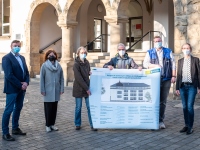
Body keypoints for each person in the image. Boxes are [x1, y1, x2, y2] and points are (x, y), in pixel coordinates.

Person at [143, 36, 176, 129]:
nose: (158, 42)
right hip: (154, 79)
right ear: (154, 43)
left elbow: (173, 64)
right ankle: (153, 120)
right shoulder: (150, 52)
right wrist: (154, 65)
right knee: (154, 100)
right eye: (156, 41)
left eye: (159, 41)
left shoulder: (168, 51)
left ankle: (160, 121)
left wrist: (174, 76)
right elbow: (145, 64)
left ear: (162, 41)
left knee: (163, 101)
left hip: (166, 79)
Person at [2, 40, 30, 141]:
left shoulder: (22, 58)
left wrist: (26, 82)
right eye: (15, 46)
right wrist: (20, 85)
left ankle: (15, 128)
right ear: (11, 46)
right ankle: (5, 132)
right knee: (8, 110)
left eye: (18, 46)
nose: (17, 47)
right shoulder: (6, 58)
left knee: (18, 108)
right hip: (12, 89)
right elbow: (9, 75)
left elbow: (26, 72)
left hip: (22, 89)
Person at [176, 43, 200, 135]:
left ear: (190, 49)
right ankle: (186, 125)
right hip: (182, 86)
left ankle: (190, 126)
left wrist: (199, 86)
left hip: (192, 86)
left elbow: (198, 74)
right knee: (184, 106)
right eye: (184, 48)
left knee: (190, 106)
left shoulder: (195, 60)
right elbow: (178, 75)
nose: (186, 49)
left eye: (187, 48)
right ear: (182, 49)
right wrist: (177, 87)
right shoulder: (180, 61)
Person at [73, 46, 97, 131]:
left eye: (84, 53)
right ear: (78, 54)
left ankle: (93, 124)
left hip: (87, 87)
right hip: (79, 88)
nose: (83, 54)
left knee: (89, 107)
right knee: (78, 107)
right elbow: (79, 78)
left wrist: (90, 73)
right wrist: (87, 88)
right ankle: (77, 124)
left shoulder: (87, 63)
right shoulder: (76, 64)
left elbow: (87, 74)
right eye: (81, 53)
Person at [40, 49, 64, 132]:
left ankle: (52, 124)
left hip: (56, 90)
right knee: (48, 108)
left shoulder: (59, 66)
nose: (52, 56)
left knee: (54, 108)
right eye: (50, 55)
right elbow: (42, 79)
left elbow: (62, 78)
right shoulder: (44, 66)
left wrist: (62, 89)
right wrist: (42, 89)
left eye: (53, 54)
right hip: (47, 90)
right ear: (47, 56)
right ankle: (47, 125)